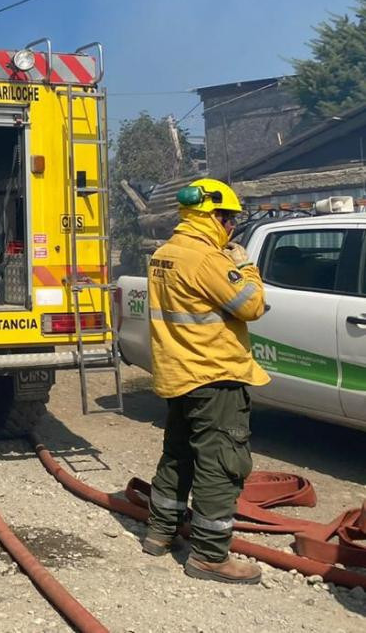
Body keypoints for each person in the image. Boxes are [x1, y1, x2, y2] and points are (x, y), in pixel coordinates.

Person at [142, 178, 269, 585]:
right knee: (221, 464)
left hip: (179, 372)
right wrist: (244, 263)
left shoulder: (164, 254)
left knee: (178, 454)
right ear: (213, 216)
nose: (231, 229)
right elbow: (252, 305)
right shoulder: (206, 259)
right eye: (229, 220)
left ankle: (160, 532)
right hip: (215, 375)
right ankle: (211, 556)